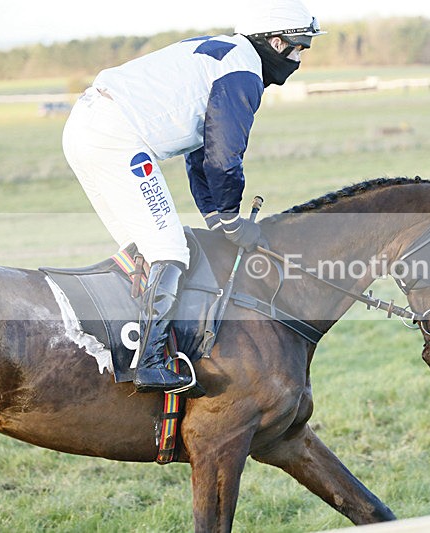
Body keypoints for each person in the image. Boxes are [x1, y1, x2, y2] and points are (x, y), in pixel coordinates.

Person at [62, 0, 325, 393]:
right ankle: (149, 364)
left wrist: (217, 216)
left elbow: (200, 152)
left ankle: (133, 346)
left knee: (141, 250)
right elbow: (224, 157)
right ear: (274, 42)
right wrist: (233, 219)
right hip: (117, 137)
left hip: (85, 127)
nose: (300, 57)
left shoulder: (228, 55)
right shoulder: (244, 72)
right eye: (298, 46)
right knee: (169, 249)